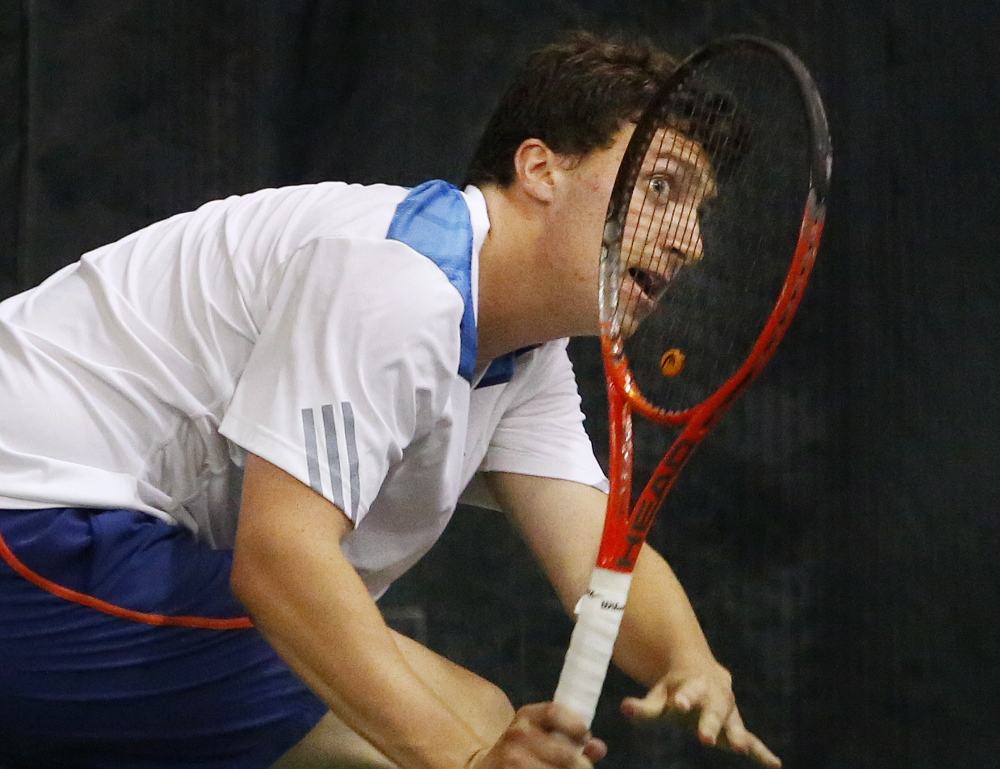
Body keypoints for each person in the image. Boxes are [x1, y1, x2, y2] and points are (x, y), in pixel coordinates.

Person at [0, 31, 780, 769]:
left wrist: (690, 660)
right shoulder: (397, 280)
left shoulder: (523, 352)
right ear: (541, 168)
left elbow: (598, 555)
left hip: (98, 552)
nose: (690, 240)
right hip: (30, 533)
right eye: (662, 188)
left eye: (699, 211)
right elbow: (278, 562)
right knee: (458, 731)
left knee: (469, 715)